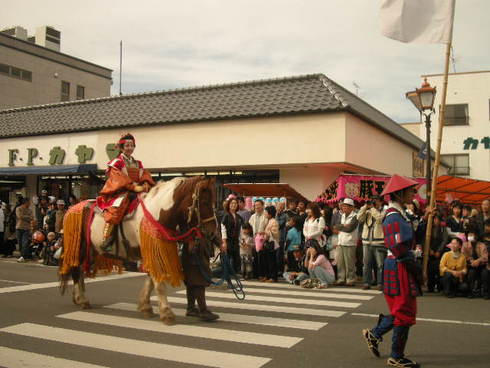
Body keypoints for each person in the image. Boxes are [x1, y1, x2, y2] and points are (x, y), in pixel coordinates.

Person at [362, 174, 421, 368]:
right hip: (399, 265)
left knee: (403, 310)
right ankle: (396, 355)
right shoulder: (393, 216)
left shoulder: (401, 213)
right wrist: (416, 269)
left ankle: (376, 333)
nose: (414, 193)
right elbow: (398, 248)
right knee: (404, 311)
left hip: (400, 263)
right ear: (400, 193)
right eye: (411, 190)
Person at [97, 133, 155, 249]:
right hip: (120, 191)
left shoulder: (138, 163)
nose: (130, 148)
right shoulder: (117, 162)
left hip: (137, 190)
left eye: (132, 145)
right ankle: (108, 237)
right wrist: (133, 187)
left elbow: (145, 175)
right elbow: (117, 177)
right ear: (122, 147)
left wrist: (145, 184)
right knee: (117, 208)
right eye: (127, 146)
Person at [358, 196, 386, 290]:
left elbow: (379, 219)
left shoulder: (384, 210)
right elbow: (359, 218)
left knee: (380, 264)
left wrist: (373, 209)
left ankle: (380, 283)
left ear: (381, 202)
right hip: (367, 240)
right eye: (372, 201)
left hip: (379, 241)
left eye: (376, 201)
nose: (374, 202)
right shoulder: (368, 210)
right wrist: (364, 207)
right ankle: (366, 283)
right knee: (366, 264)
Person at [417, 214, 448, 293]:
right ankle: (430, 287)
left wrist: (439, 251)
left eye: (438, 219)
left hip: (439, 252)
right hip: (429, 251)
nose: (436, 221)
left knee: (438, 269)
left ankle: (439, 287)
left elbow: (444, 241)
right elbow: (424, 240)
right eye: (435, 219)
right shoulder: (428, 227)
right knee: (430, 269)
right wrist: (429, 249)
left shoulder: (443, 229)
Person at [334, 198, 359, 286]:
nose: (343, 208)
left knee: (349, 263)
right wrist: (343, 226)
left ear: (351, 207)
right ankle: (341, 279)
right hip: (341, 241)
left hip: (350, 242)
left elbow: (350, 228)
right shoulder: (342, 215)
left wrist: (341, 227)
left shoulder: (355, 216)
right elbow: (335, 226)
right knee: (340, 262)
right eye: (343, 206)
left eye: (346, 206)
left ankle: (350, 279)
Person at [220, 198, 243, 274]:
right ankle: (225, 274)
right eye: (232, 203)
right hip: (227, 240)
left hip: (235, 241)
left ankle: (235, 273)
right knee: (226, 257)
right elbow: (223, 228)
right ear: (229, 205)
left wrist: (241, 240)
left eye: (235, 203)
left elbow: (241, 230)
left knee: (236, 258)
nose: (233, 205)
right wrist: (224, 242)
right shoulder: (226, 215)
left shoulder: (239, 217)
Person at [462, 228, 488, 298]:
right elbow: (463, 255)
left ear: (476, 236)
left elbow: (485, 257)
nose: (470, 236)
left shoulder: (482, 245)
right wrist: (471, 261)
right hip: (471, 265)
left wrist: (478, 261)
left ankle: (486, 293)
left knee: (485, 273)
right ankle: (470, 292)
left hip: (482, 265)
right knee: (471, 273)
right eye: (469, 235)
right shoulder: (465, 245)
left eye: (472, 235)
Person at [249, 200, 268, 279]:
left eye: (258, 205)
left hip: (262, 239)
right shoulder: (252, 216)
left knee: (262, 257)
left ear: (262, 206)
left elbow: (267, 227)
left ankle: (262, 274)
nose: (257, 207)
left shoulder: (265, 215)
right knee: (255, 257)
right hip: (254, 239)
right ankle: (256, 274)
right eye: (255, 205)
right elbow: (249, 227)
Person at [262, 205, 280, 282]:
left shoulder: (274, 221)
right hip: (267, 242)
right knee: (266, 260)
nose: (265, 214)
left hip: (272, 243)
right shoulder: (268, 221)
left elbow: (275, 233)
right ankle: (268, 275)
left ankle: (273, 277)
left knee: (271, 260)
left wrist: (266, 232)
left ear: (270, 214)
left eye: (266, 212)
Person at [16, 197, 34, 263]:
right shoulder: (18, 208)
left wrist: (25, 216)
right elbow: (19, 216)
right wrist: (27, 216)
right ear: (26, 202)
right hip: (19, 227)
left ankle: (22, 256)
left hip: (27, 228)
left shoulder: (30, 210)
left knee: (25, 243)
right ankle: (22, 256)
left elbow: (32, 217)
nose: (30, 203)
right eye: (29, 202)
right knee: (20, 243)